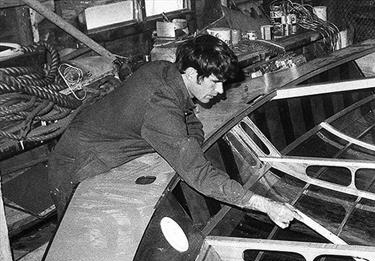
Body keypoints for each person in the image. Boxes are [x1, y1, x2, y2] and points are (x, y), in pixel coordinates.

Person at [48, 34, 294, 227]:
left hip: (93, 145)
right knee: (91, 244)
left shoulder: (166, 71)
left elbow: (190, 123)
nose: (221, 91)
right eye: (215, 82)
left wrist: (185, 149)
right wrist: (265, 205)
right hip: (78, 167)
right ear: (192, 73)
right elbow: (201, 176)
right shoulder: (161, 107)